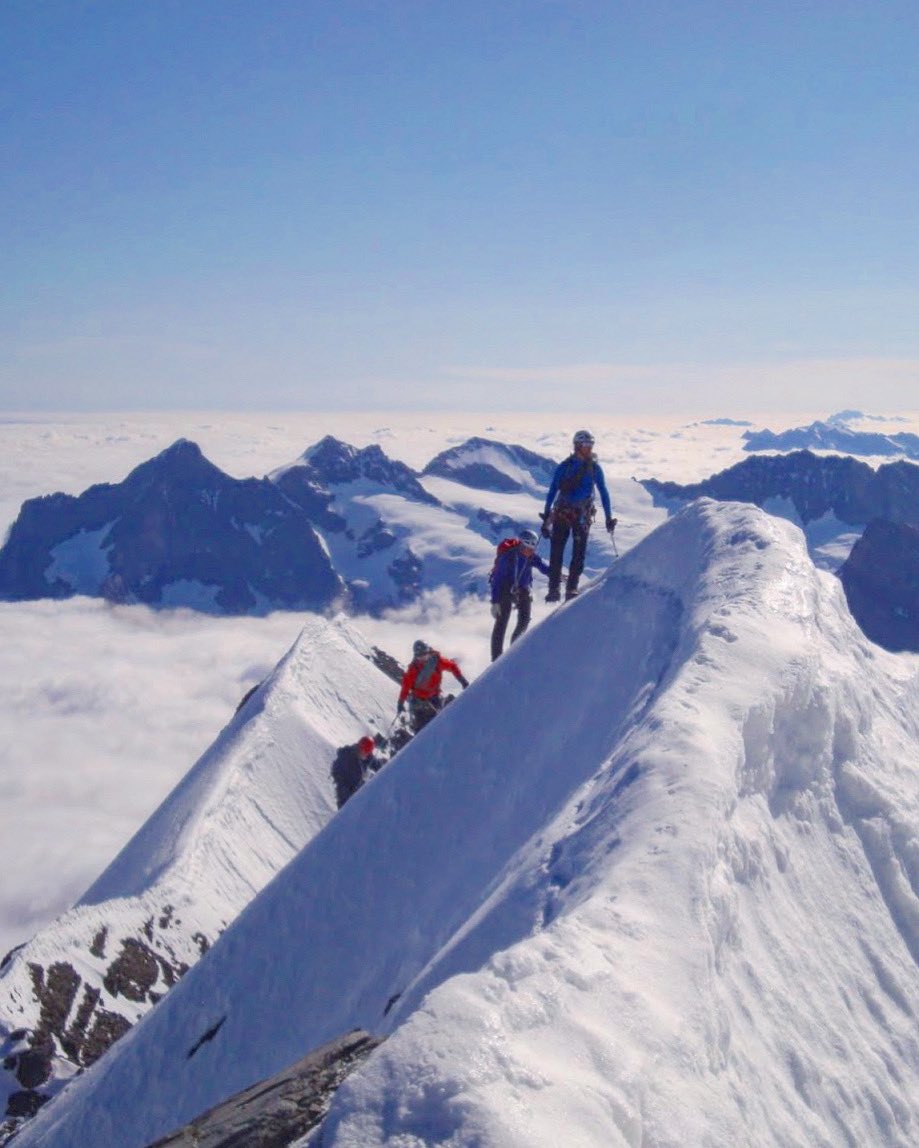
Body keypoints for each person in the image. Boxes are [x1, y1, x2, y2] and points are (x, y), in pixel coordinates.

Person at [541, 429, 616, 602]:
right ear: (577, 446)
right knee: (560, 551)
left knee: (576, 552)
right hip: (572, 513)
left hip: (569, 512)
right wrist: (546, 513)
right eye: (586, 445)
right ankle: (555, 589)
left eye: (591, 444)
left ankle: (570, 588)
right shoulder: (585, 468)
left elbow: (604, 493)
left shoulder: (576, 467)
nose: (589, 448)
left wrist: (609, 517)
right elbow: (553, 490)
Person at [489, 529, 550, 661]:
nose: (531, 551)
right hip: (505, 589)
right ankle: (496, 658)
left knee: (524, 619)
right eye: (529, 548)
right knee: (502, 621)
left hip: (522, 589)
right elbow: (497, 579)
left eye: (533, 548)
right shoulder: (508, 557)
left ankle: (514, 650)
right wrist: (495, 602)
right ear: (523, 545)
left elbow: (543, 567)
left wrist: (556, 575)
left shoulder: (531, 557)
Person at [397, 639, 469, 733]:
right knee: (422, 730)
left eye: (425, 655)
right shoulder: (413, 670)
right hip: (420, 702)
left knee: (436, 725)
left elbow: (452, 666)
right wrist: (400, 702)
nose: (423, 658)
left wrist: (462, 680)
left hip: (434, 698)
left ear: (429, 652)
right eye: (420, 656)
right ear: (416, 656)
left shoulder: (437, 662)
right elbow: (405, 687)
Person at [331, 735, 379, 808]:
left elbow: (373, 760)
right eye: (365, 753)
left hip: (357, 794)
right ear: (361, 749)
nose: (366, 756)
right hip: (346, 798)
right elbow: (342, 784)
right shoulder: (347, 760)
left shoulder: (363, 753)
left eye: (367, 753)